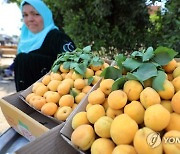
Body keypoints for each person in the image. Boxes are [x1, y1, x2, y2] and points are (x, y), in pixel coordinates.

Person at [12, 0, 76, 92]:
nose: (30, 19)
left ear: (45, 15)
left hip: (55, 101)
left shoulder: (59, 38)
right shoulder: (24, 42)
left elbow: (73, 70)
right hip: (24, 102)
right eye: (25, 15)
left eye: (36, 14)